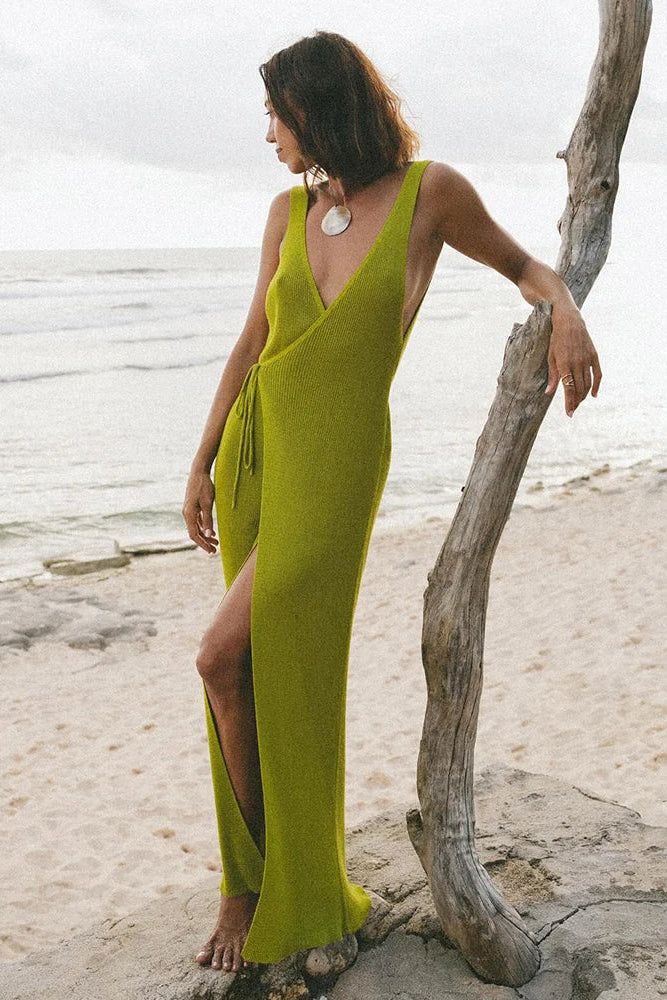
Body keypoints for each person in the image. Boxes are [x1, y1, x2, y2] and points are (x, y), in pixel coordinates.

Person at [182, 30, 601, 976]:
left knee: (231, 658)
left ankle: (286, 885)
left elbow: (525, 270)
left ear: (319, 110)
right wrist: (203, 458)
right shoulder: (286, 214)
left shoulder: (430, 195)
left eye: (276, 117)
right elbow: (251, 341)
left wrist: (564, 310)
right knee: (237, 671)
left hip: (337, 465)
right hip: (259, 450)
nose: (270, 137)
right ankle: (247, 883)